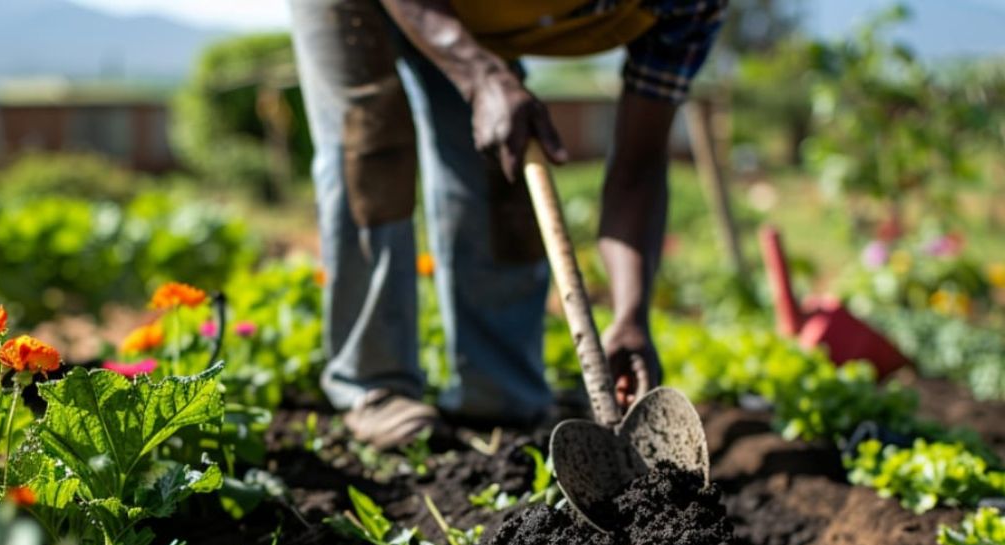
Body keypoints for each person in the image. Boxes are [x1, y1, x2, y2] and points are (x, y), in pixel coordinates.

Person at [289, 0, 727, 448]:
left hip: (472, 15)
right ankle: (375, 384)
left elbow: (640, 165)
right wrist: (481, 75)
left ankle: (498, 392)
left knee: (504, 156)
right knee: (371, 146)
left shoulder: (689, 7)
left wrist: (631, 316)